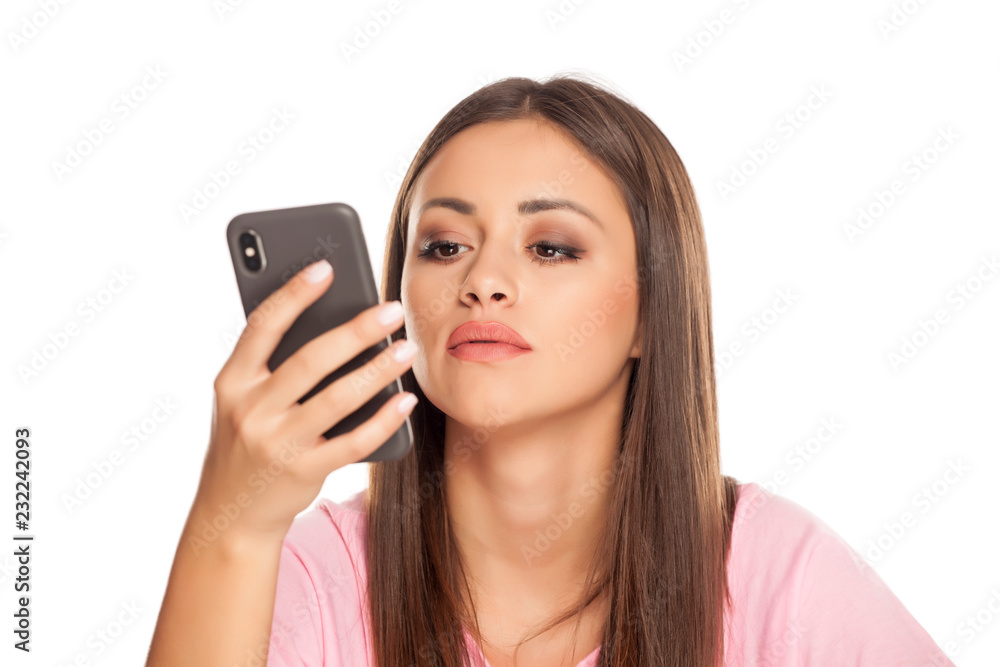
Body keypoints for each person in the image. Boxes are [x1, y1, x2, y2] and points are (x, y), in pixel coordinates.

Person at [146, 74, 954, 667]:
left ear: (651, 311)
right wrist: (234, 522)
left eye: (551, 247)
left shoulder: (776, 575)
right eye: (445, 245)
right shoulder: (314, 575)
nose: (483, 280)